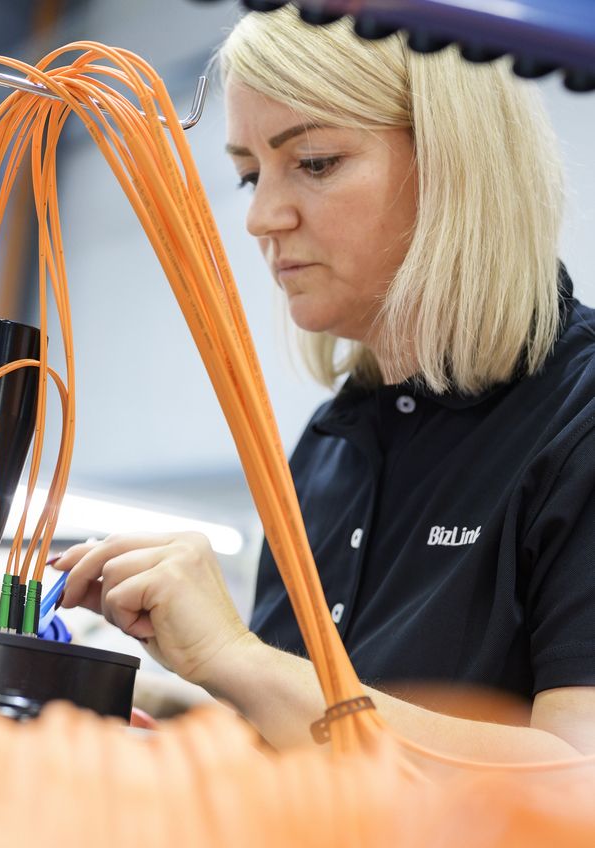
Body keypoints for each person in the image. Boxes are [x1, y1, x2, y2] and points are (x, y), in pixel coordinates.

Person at [53, 6, 595, 761]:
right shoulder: (326, 452)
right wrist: (178, 731)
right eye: (249, 175)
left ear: (455, 158)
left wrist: (239, 659)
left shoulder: (581, 419)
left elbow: (579, 788)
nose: (262, 218)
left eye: (313, 162)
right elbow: (311, 750)